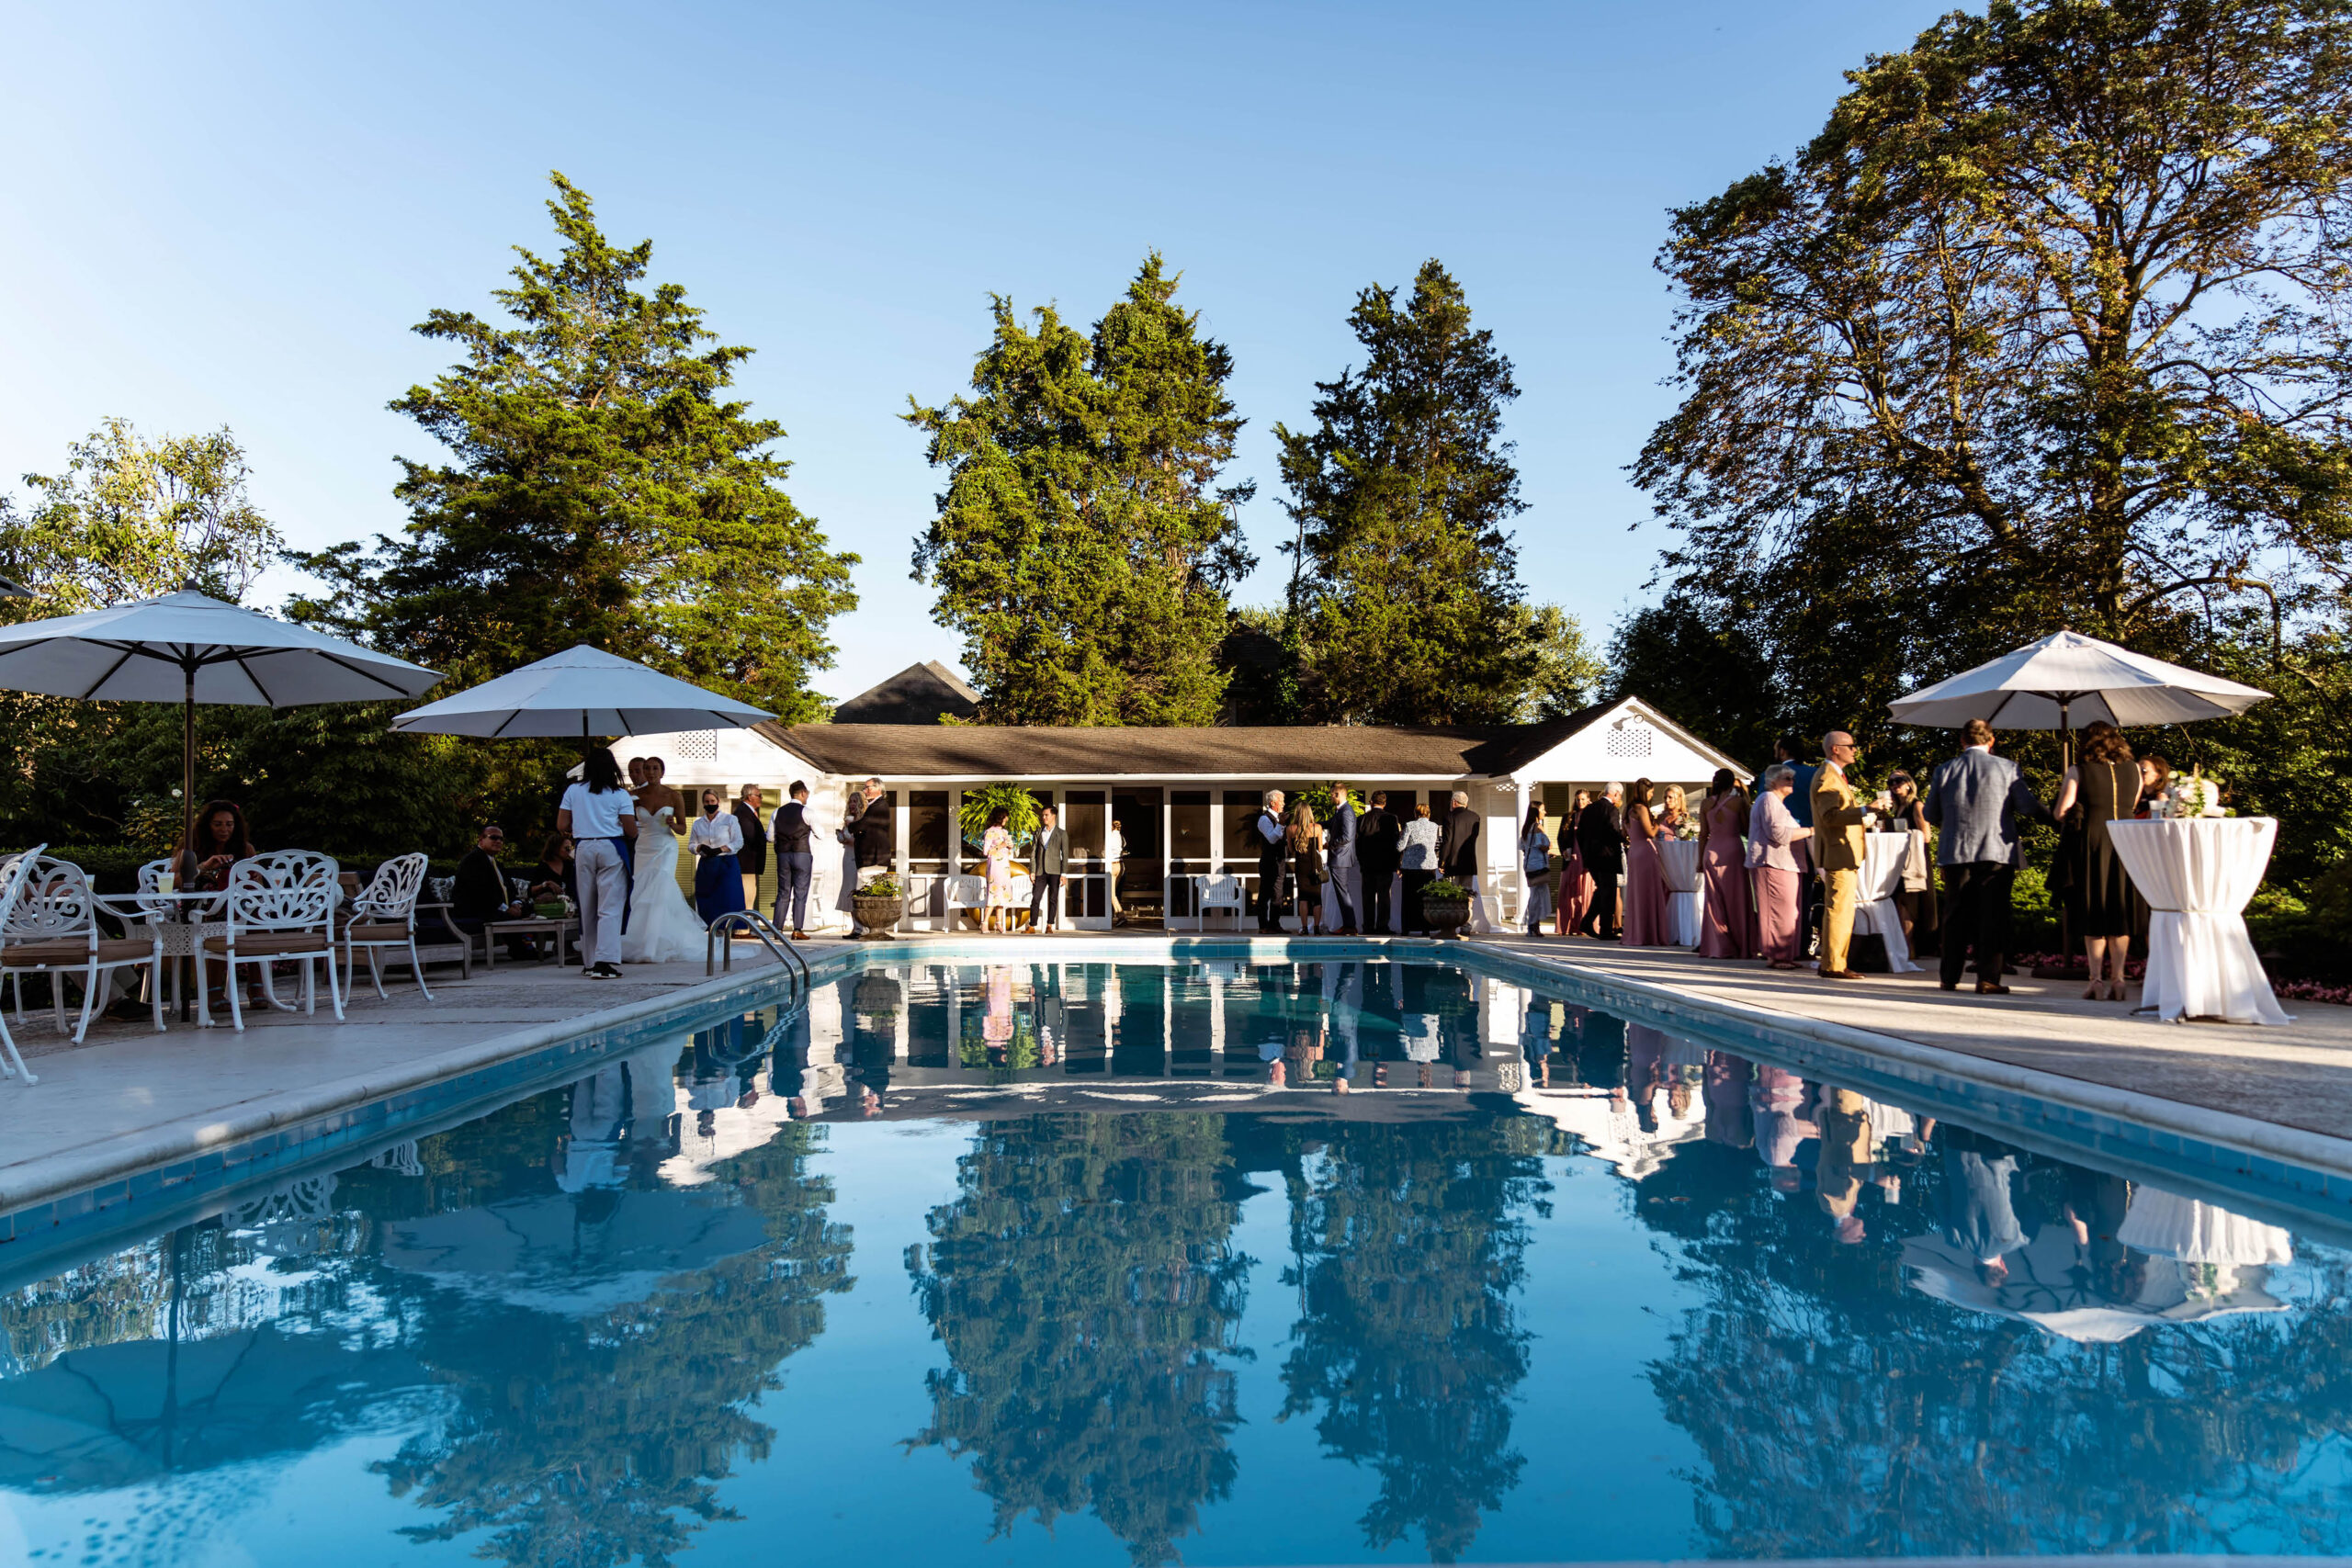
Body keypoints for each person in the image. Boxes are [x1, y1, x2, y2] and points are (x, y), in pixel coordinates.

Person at [1922, 717, 2055, 996]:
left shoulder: (1944, 770)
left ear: (1962, 741)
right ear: (1991, 740)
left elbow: (1930, 814)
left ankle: (1949, 977)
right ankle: (1988, 978)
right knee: (1993, 916)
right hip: (1996, 852)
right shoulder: (2007, 768)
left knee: (1955, 916)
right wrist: (2056, 819)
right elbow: (2027, 807)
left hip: (1955, 852)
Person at [2053, 720, 2143, 1001]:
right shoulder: (2135, 771)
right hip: (2127, 839)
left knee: (2094, 908)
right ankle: (2119, 978)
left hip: (2094, 840)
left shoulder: (2078, 770)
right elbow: (2133, 803)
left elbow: (2061, 811)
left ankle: (2096, 980)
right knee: (2120, 910)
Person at [558, 748, 638, 979]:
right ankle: (605, 961)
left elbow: (562, 824)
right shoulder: (620, 794)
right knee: (609, 906)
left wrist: (583, 823)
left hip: (583, 847)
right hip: (610, 847)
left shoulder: (573, 790)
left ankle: (589, 961)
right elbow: (631, 830)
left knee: (588, 905)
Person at [620, 759, 700, 964]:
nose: (651, 772)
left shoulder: (674, 795)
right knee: (642, 891)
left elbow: (683, 829)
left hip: (666, 846)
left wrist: (673, 824)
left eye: (655, 768)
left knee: (661, 888)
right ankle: (642, 939)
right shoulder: (634, 796)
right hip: (644, 846)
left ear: (662, 771)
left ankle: (656, 943)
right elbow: (624, 821)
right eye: (647, 768)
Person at [1811, 731, 1873, 979]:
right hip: (1838, 853)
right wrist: (1866, 809)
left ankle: (1835, 962)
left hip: (1842, 853)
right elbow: (1830, 817)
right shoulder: (1827, 777)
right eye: (1851, 746)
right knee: (1839, 910)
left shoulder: (1834, 776)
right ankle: (1834, 965)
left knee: (1841, 910)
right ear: (1835, 749)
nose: (1855, 750)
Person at [1747, 766, 1814, 969]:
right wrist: (1811, 830)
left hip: (1785, 863)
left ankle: (1784, 955)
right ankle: (1777, 956)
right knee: (1778, 912)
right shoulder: (1768, 799)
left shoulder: (1777, 803)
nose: (1791, 782)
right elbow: (1778, 834)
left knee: (1789, 912)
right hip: (1772, 862)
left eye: (1792, 778)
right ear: (1773, 780)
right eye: (1787, 778)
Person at [451, 822, 537, 959]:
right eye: (493, 837)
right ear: (481, 839)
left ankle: (526, 945)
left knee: (529, 909)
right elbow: (479, 893)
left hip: (494, 907)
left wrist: (516, 903)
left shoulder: (497, 864)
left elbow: (510, 889)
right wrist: (505, 908)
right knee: (509, 916)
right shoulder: (472, 861)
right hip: (476, 908)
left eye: (501, 839)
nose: (498, 841)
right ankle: (521, 949)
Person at [1696, 769, 1756, 959]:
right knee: (1737, 901)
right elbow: (1747, 829)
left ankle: (1718, 946)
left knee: (1714, 902)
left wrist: (1699, 860)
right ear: (1732, 783)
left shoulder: (1705, 803)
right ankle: (1740, 945)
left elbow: (1703, 834)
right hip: (1732, 852)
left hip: (1711, 851)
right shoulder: (1739, 803)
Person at [1879, 768, 1939, 953]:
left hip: (1915, 861)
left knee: (1909, 903)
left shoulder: (1916, 805)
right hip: (1900, 861)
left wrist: (1902, 835)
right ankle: (1903, 947)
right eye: (1891, 782)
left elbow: (1926, 836)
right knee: (1900, 902)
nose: (1895, 785)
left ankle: (1908, 948)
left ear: (1909, 783)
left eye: (1899, 780)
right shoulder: (1898, 809)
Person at [1621, 778, 1670, 946]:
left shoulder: (1627, 809)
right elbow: (1650, 832)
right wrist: (1658, 822)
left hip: (1634, 851)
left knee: (1637, 892)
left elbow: (1624, 833)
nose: (1651, 795)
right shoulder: (1641, 808)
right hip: (1645, 852)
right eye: (1650, 792)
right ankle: (1648, 933)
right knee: (1648, 891)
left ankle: (1637, 930)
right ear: (1644, 792)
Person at [689, 786, 747, 925]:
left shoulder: (730, 819)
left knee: (728, 897)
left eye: (712, 801)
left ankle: (728, 930)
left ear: (718, 801)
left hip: (726, 863)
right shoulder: (698, 823)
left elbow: (738, 841)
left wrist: (720, 849)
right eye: (707, 802)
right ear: (703, 803)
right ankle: (711, 929)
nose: (710, 804)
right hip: (706, 864)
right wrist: (699, 847)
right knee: (707, 899)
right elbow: (691, 844)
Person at [1576, 784, 1627, 939]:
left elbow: (1580, 834)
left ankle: (1587, 922)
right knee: (1609, 894)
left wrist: (1586, 853)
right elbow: (1613, 831)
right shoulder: (1611, 809)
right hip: (1607, 857)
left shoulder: (1589, 809)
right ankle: (1605, 930)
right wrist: (1624, 839)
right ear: (1616, 794)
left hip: (1591, 857)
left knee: (1602, 891)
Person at [769, 781, 815, 939]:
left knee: (783, 892)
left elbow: (769, 837)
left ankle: (778, 930)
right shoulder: (807, 812)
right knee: (800, 892)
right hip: (802, 854)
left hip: (783, 855)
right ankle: (797, 930)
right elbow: (821, 834)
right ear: (802, 793)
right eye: (807, 793)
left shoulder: (777, 812)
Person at [1357, 791, 1402, 935]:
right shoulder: (1391, 818)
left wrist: (1361, 860)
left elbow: (1357, 843)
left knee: (1368, 897)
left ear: (1371, 802)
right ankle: (1382, 926)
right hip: (1385, 863)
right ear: (1384, 803)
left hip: (1367, 863)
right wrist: (1397, 863)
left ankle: (1368, 926)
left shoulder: (1362, 819)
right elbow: (1396, 842)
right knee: (1384, 896)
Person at [1440, 790, 1482, 930]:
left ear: (1453, 802)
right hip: (1469, 861)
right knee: (1467, 894)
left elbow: (1447, 841)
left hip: (1453, 862)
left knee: (1452, 894)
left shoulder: (1449, 817)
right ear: (1466, 803)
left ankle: (1451, 924)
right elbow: (1473, 839)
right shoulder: (1475, 817)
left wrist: (1442, 861)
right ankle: (1466, 925)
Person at [1555, 790, 1593, 938]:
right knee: (1566, 892)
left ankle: (1583, 926)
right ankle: (1566, 926)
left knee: (1584, 895)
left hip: (1586, 860)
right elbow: (1560, 837)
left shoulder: (1591, 817)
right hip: (1571, 859)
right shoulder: (1568, 817)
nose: (1580, 802)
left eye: (1583, 799)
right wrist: (1563, 850)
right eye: (1578, 799)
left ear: (1588, 800)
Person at [1324, 782, 1361, 935]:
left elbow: (1347, 837)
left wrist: (1329, 845)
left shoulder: (1346, 812)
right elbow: (1329, 823)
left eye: (1332, 794)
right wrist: (1312, 824)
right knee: (1341, 893)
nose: (1331, 797)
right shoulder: (1340, 811)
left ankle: (1350, 926)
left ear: (1338, 794)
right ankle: (1348, 925)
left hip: (1340, 858)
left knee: (1343, 893)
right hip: (1339, 858)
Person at [1399, 801, 1442, 932]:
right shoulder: (1435, 826)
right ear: (1428, 814)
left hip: (1410, 867)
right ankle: (1426, 928)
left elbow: (1400, 846)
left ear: (1415, 814)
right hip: (1428, 866)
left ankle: (1407, 928)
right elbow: (1437, 844)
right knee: (1426, 898)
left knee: (1409, 899)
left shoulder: (1409, 825)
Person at [1288, 800, 1327, 936]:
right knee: (1317, 898)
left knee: (1303, 898)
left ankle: (1304, 928)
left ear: (1297, 813)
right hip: (1314, 865)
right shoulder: (1317, 828)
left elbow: (1291, 849)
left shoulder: (1291, 829)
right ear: (1309, 813)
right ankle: (1316, 928)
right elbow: (1320, 848)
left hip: (1300, 866)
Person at [1029, 804, 1068, 933]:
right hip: (1040, 871)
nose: (1044, 817)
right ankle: (1032, 926)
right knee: (1035, 898)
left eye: (1046, 815)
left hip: (1055, 871)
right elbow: (1033, 853)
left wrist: (1064, 874)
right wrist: (1032, 871)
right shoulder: (1038, 832)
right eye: (1043, 815)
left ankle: (1049, 925)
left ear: (1053, 816)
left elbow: (1065, 855)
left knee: (1053, 898)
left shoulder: (1062, 833)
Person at [1254, 789, 1288, 933]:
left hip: (1279, 862)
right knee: (1265, 894)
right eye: (1281, 801)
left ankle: (1275, 924)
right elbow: (1272, 839)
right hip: (1268, 862)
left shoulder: (1280, 819)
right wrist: (1280, 824)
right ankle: (1263, 926)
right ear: (1273, 802)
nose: (1283, 804)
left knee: (1278, 894)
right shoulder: (1264, 819)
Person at [731, 784, 768, 913]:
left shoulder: (749, 812)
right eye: (759, 795)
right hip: (745, 863)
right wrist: (766, 837)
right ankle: (742, 930)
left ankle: (744, 928)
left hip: (750, 864)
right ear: (749, 797)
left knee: (750, 896)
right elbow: (750, 836)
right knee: (747, 896)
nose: (761, 798)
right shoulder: (743, 813)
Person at [980, 806, 1016, 933]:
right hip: (994, 867)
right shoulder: (989, 832)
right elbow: (986, 852)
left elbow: (1006, 851)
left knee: (1003, 893)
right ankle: (984, 923)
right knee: (993, 893)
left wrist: (1010, 847)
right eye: (1005, 816)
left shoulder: (1005, 832)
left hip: (1005, 866)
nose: (1007, 819)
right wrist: (1001, 845)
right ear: (1000, 817)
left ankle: (998, 923)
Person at [1518, 803, 1553, 935]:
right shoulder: (1538, 827)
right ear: (1536, 812)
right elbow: (1543, 846)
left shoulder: (1526, 829)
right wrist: (1549, 846)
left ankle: (1532, 925)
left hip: (1529, 866)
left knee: (1534, 895)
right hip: (1539, 866)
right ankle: (1533, 925)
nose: (1545, 812)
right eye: (1543, 810)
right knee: (1538, 897)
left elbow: (1524, 849)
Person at [527, 832, 576, 906]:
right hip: (550, 906)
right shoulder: (543, 867)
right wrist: (546, 884)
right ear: (556, 848)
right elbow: (531, 891)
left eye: (571, 848)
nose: (569, 851)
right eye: (567, 848)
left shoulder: (569, 866)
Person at [2135, 753, 2173, 818]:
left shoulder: (2163, 798)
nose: (2138, 774)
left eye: (2143, 771)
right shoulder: (2133, 796)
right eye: (2136, 771)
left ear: (2158, 775)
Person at [1102, 818, 1125, 924]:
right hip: (1120, 865)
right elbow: (1123, 847)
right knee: (1113, 893)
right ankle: (1110, 916)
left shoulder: (1109, 836)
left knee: (1110, 894)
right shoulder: (1121, 836)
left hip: (1111, 866)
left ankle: (1121, 916)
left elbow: (1104, 852)